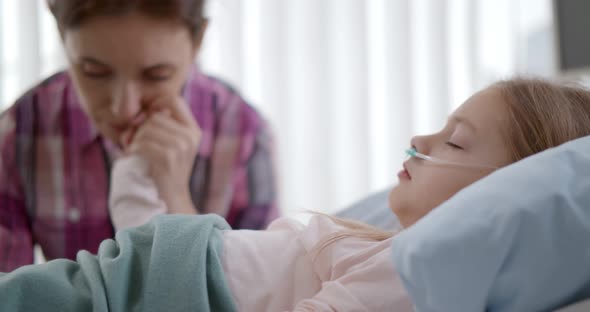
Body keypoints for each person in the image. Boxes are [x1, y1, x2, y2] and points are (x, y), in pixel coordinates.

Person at [2, 78, 590, 311]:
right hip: (163, 265)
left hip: (167, 282)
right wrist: (139, 173)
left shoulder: (411, 273)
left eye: (456, 143)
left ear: (500, 199)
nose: (421, 139)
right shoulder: (390, 244)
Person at [0, 0, 278, 272]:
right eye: (94, 72)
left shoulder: (244, 135)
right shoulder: (21, 132)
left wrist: (177, 201)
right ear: (60, 33)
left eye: (156, 75)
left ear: (197, 42)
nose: (125, 108)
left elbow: (256, 297)